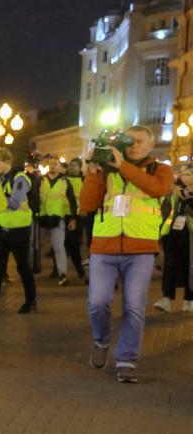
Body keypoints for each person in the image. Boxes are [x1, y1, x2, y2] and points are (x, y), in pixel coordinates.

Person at [80, 126, 172, 382]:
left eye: (140, 141)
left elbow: (158, 189)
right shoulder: (107, 169)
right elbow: (87, 204)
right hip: (104, 246)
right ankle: (101, 341)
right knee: (97, 302)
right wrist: (93, 172)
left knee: (133, 306)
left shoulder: (160, 170)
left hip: (140, 249)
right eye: (130, 140)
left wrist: (121, 165)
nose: (134, 145)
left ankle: (126, 360)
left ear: (151, 146)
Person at [0, 149, 37, 314]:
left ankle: (30, 300)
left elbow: (14, 203)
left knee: (23, 267)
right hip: (2, 228)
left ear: (7, 161)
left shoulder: (19, 178)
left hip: (19, 230)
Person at [156, 163, 193, 312]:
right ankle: (166, 298)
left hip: (191, 235)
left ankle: (189, 300)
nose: (186, 177)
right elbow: (165, 212)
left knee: (190, 267)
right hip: (173, 234)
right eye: (184, 174)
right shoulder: (174, 193)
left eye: (189, 174)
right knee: (170, 265)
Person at [39, 160, 79, 285]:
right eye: (50, 163)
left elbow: (72, 200)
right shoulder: (40, 180)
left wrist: (73, 218)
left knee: (59, 248)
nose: (52, 166)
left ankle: (63, 274)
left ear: (60, 167)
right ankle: (30, 269)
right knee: (32, 246)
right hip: (41, 218)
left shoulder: (64, 181)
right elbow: (33, 196)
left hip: (57, 219)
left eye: (55, 164)